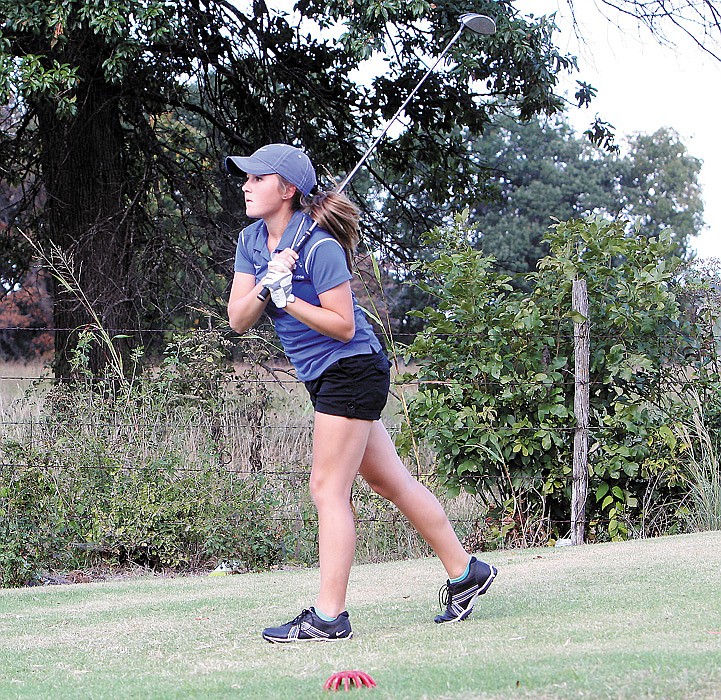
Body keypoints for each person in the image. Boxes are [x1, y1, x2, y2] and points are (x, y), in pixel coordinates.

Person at [225, 143, 496, 643]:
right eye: (245, 177)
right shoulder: (252, 241)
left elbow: (345, 326)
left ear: (286, 190)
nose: (244, 185)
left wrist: (291, 300)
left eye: (256, 178)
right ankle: (467, 572)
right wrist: (268, 285)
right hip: (327, 374)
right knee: (392, 483)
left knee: (327, 490)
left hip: (351, 368)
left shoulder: (320, 247)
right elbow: (238, 320)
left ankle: (330, 617)